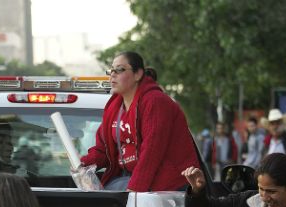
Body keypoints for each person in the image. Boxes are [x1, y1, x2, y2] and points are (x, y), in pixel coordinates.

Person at [79, 51, 199, 191]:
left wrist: (134, 189)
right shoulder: (114, 107)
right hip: (130, 180)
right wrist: (82, 164)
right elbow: (103, 149)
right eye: (111, 70)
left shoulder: (155, 102)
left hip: (167, 187)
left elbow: (152, 151)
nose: (113, 74)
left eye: (120, 70)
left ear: (138, 74)